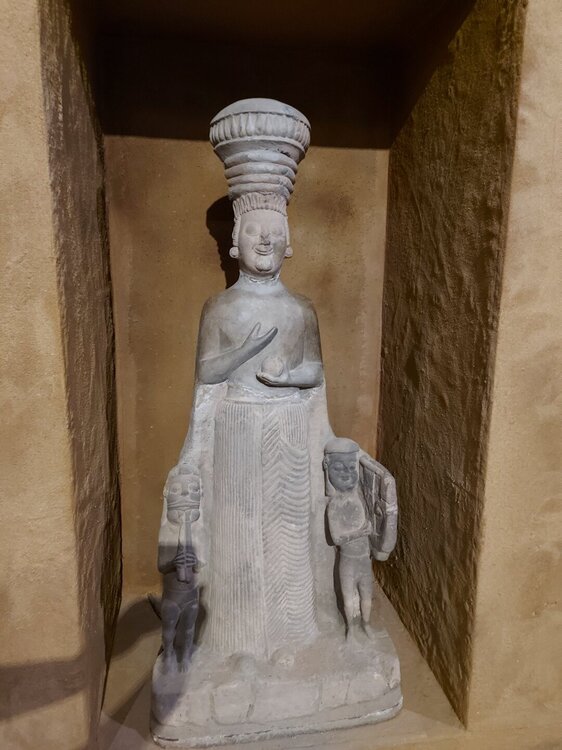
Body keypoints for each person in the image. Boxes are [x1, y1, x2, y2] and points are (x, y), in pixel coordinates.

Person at [323, 437, 375, 640]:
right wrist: (362, 531)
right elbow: (337, 538)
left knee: (366, 596)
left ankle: (366, 625)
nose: (346, 472)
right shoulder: (334, 505)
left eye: (351, 467)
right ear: (327, 470)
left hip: (364, 559)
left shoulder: (359, 498)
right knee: (348, 599)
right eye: (338, 468)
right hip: (348, 561)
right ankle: (351, 630)